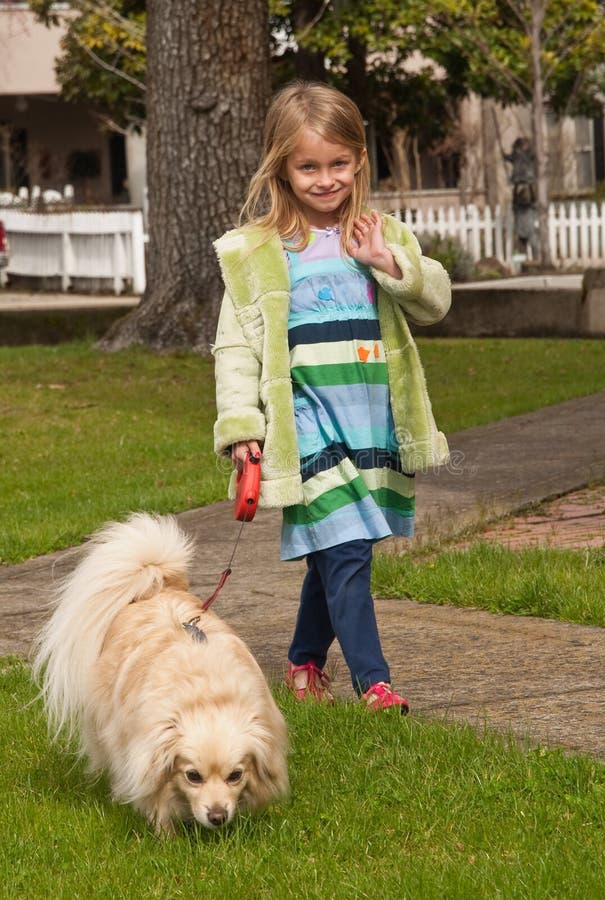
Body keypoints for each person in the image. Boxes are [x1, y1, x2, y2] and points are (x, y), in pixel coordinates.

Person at [212, 81, 451, 713]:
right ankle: (374, 683)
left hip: (372, 426)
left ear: (359, 162)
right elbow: (234, 349)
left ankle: (302, 663)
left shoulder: (380, 233)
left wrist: (387, 264)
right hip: (308, 427)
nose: (325, 179)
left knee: (337, 550)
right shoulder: (259, 252)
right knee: (345, 550)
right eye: (308, 166)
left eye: (338, 164)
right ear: (281, 168)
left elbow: (436, 303)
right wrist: (242, 425)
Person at [503, 137, 539, 259]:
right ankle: (522, 262)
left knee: (531, 235)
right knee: (521, 237)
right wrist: (504, 155)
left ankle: (535, 259)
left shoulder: (528, 157)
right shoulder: (518, 157)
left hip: (526, 197)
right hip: (520, 203)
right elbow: (510, 158)